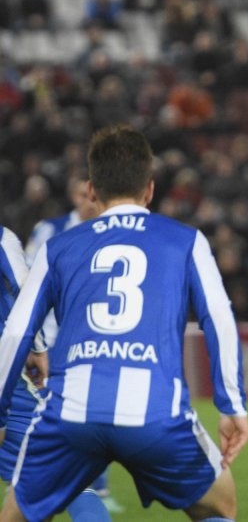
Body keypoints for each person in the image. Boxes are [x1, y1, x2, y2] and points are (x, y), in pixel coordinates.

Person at [0, 125, 248, 522]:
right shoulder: (186, 241)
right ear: (150, 189)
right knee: (220, 506)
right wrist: (231, 405)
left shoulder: (59, 247)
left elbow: (16, 332)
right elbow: (219, 318)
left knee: (15, 513)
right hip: (155, 416)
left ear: (92, 192)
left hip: (70, 417)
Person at [19, 175, 122, 516]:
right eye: (81, 194)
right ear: (75, 195)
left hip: (94, 340)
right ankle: (77, 489)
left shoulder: (116, 233)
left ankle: (95, 488)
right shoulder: (51, 230)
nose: (89, 201)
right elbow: (27, 280)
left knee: (95, 412)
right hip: (49, 344)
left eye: (91, 194)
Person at [3, 224, 111, 522]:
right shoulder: (3, 238)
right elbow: (24, 294)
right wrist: (37, 348)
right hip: (8, 376)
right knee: (66, 477)